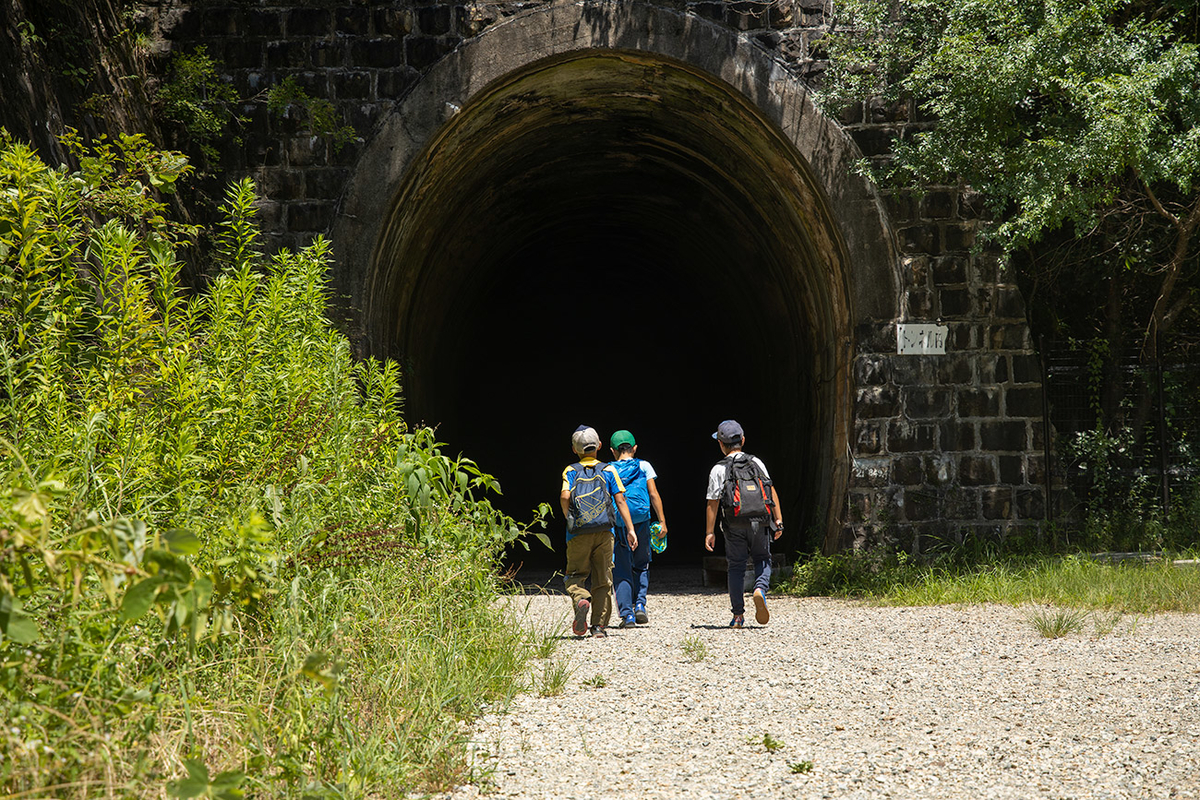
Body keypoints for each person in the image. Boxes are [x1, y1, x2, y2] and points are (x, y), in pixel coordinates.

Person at [703, 419, 783, 628]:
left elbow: (712, 503)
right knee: (762, 559)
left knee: (736, 567)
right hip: (761, 521)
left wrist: (709, 532)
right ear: (743, 440)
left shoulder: (718, 469)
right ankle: (759, 589)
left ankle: (738, 615)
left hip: (734, 524)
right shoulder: (757, 462)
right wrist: (779, 520)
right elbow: (770, 490)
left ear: (720, 443)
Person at [560, 425, 637, 638]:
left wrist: (570, 519)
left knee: (575, 575)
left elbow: (565, 496)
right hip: (605, 531)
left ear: (575, 449)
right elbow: (620, 500)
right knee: (603, 578)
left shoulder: (570, 470)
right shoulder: (608, 470)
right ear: (600, 446)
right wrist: (630, 529)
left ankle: (581, 598)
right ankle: (599, 627)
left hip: (577, 533)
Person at [608, 430, 668, 628]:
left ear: (612, 451)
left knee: (622, 567)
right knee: (641, 563)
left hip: (619, 523)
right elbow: (653, 494)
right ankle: (640, 604)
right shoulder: (644, 465)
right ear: (634, 448)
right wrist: (662, 521)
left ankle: (628, 616)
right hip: (642, 520)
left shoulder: (608, 469)